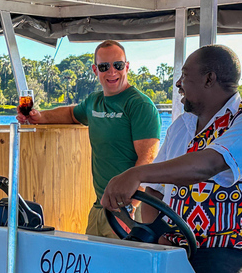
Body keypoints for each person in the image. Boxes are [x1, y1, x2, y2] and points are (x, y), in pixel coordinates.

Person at [101, 44, 242, 273]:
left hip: (233, 244)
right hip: (179, 238)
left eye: (185, 75)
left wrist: (137, 173)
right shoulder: (181, 126)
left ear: (209, 78)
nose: (178, 83)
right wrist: (158, 234)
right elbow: (156, 193)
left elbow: (207, 165)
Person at [17, 40, 161, 238]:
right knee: (90, 266)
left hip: (127, 211)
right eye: (104, 66)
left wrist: (131, 207)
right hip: (99, 207)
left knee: (118, 267)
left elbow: (147, 161)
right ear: (95, 70)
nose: (112, 72)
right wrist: (39, 117)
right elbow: (71, 114)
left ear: (127, 66)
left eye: (118, 65)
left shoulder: (140, 105)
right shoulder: (94, 101)